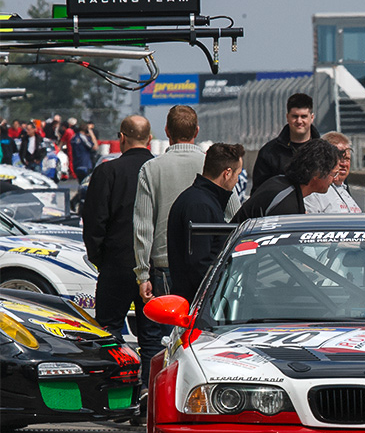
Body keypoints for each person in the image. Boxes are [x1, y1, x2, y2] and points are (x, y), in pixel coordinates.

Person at [133, 106, 241, 376]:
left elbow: (143, 225)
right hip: (201, 274)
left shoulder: (151, 168)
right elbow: (237, 216)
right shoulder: (211, 166)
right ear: (197, 131)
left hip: (164, 265)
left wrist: (142, 273)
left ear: (167, 132)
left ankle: (152, 390)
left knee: (157, 339)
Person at [81, 116, 156, 384]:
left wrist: (100, 257)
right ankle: (148, 396)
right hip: (155, 265)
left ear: (121, 137)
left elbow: (94, 220)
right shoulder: (158, 169)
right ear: (150, 138)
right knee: (153, 339)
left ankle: (114, 389)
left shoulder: (107, 172)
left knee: (109, 331)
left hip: (117, 262)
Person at [167, 143, 245, 303]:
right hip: (196, 304)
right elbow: (200, 265)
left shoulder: (201, 199)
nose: (237, 180)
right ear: (227, 173)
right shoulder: (201, 206)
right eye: (238, 174)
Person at [233, 138, 339, 222]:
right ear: (317, 173)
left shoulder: (281, 183)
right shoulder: (286, 204)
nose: (334, 179)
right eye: (333, 174)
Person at [251, 93, 321, 194]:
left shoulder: (324, 151)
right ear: (287, 117)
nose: (299, 121)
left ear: (312, 117)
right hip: (283, 209)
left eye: (304, 116)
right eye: (295, 116)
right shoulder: (269, 152)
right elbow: (258, 193)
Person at [302, 132, 362, 214]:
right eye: (338, 158)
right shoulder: (316, 191)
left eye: (347, 159)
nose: (343, 163)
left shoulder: (344, 191)